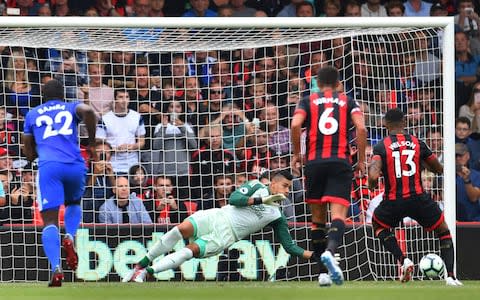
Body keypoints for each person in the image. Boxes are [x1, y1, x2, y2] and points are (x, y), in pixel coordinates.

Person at [122, 170, 314, 283]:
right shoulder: (256, 186)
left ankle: (146, 274)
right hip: (217, 216)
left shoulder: (277, 216)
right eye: (285, 186)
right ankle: (140, 265)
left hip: (226, 236)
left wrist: (315, 255)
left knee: (189, 251)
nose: (288, 191)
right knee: (179, 230)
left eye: (290, 187)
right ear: (273, 183)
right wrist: (262, 199)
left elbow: (289, 247)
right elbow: (234, 199)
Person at [368, 108, 463, 286]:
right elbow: (437, 168)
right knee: (443, 229)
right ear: (404, 123)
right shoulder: (418, 143)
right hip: (418, 198)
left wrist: (371, 184)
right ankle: (450, 276)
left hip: (394, 199)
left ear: (386, 125)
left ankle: (403, 260)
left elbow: (373, 177)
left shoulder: (381, 146)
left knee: (378, 225)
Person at [291, 65, 367, 286]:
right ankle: (330, 252)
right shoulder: (348, 101)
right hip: (340, 162)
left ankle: (323, 274)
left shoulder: (307, 100)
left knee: (317, 220)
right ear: (338, 83)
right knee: (338, 215)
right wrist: (361, 160)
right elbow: (361, 129)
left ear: (317, 82)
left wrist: (297, 154)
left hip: (314, 163)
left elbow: (295, 124)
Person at [22, 79, 97, 287]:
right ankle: (70, 236)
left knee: (50, 221)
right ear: (63, 94)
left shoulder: (32, 113)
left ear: (43, 95)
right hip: (75, 165)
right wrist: (91, 143)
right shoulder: (71, 107)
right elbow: (89, 112)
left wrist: (32, 157)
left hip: (50, 167)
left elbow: (27, 149)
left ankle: (56, 268)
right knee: (74, 203)